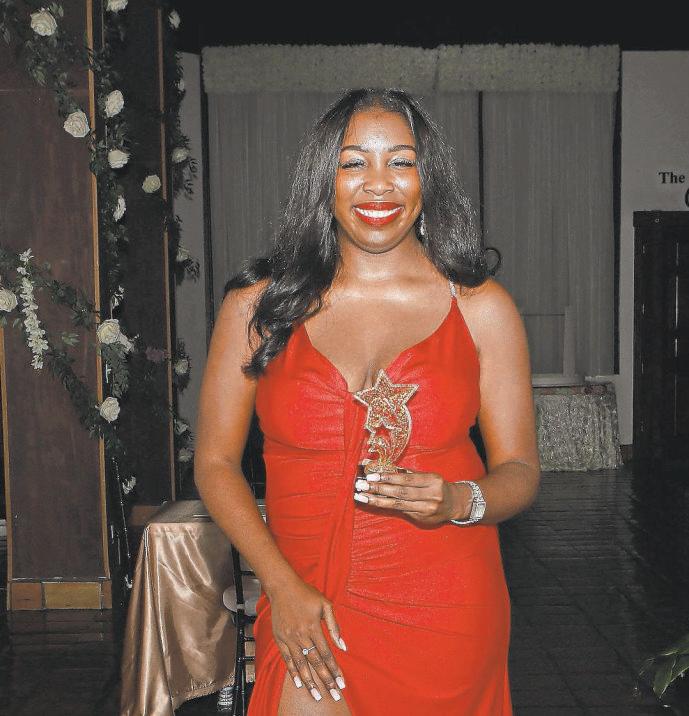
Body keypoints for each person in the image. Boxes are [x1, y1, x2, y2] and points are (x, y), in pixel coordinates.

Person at [195, 88, 541, 715]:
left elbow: (520, 471)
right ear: (322, 180)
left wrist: (460, 501)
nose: (378, 183)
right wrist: (280, 585)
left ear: (427, 179)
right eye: (353, 162)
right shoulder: (258, 306)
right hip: (304, 595)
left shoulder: (481, 308)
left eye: (401, 161)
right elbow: (215, 464)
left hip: (446, 603)